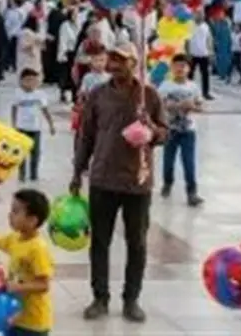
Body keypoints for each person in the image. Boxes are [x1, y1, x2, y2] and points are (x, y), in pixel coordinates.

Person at [71, 41, 169, 323]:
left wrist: (149, 127)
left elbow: (164, 134)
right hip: (102, 177)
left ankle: (131, 298)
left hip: (137, 180)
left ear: (134, 63)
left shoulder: (148, 96)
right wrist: (78, 170)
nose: (114, 64)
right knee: (99, 241)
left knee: (136, 242)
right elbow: (86, 135)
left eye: (121, 60)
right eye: (111, 59)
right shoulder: (98, 95)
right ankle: (100, 296)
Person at [0, 189, 54, 336]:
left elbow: (44, 285)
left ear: (32, 220)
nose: (10, 215)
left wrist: (17, 287)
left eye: (15, 211)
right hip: (13, 315)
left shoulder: (37, 249)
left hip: (34, 323)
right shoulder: (14, 239)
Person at [158, 54, 204, 206]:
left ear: (189, 69)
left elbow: (200, 106)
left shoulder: (193, 87)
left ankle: (192, 192)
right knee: (168, 161)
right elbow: (159, 106)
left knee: (189, 162)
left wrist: (193, 107)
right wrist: (174, 106)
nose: (180, 69)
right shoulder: (165, 86)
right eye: (177, 65)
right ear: (171, 68)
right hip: (170, 129)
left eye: (183, 66)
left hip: (188, 130)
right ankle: (167, 183)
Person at [11, 68, 54, 182]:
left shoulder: (40, 95)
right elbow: (14, 109)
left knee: (35, 152)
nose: (31, 83)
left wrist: (51, 124)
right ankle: (22, 174)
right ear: (21, 81)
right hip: (21, 128)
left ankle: (34, 174)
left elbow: (45, 110)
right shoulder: (18, 94)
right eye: (27, 80)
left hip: (35, 128)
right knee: (21, 153)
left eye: (34, 80)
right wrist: (13, 124)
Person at [187, 11, 213, 100]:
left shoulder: (206, 26)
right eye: (198, 14)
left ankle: (205, 93)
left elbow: (209, 40)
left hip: (204, 54)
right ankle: (188, 92)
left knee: (205, 75)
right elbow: (187, 40)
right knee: (190, 74)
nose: (200, 16)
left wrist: (210, 52)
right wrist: (187, 53)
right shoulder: (190, 25)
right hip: (192, 54)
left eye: (202, 15)